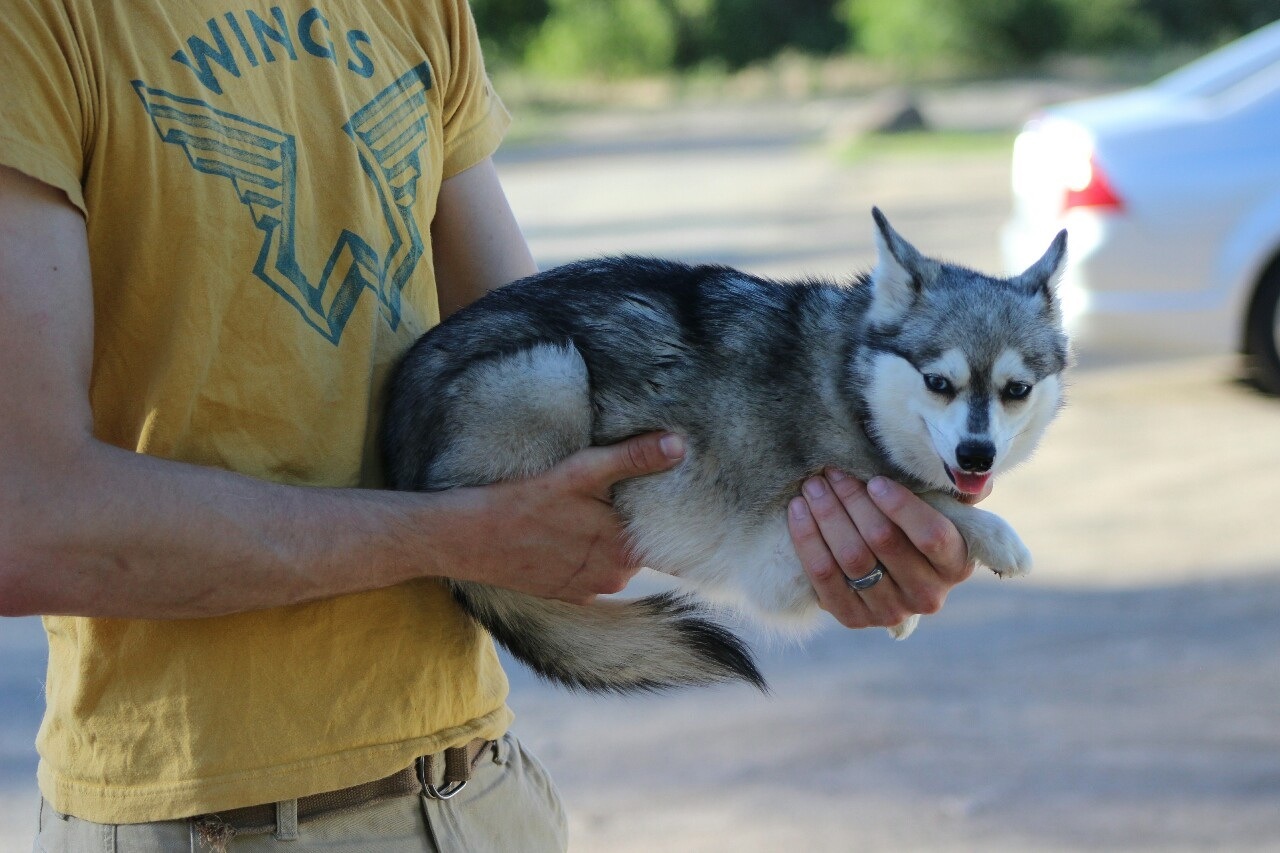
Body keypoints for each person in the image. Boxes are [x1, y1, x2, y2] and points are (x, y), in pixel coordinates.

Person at [0, 0, 977, 849]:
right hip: (215, 818)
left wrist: (822, 521)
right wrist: (451, 536)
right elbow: (27, 522)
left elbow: (565, 385)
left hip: (478, 795)